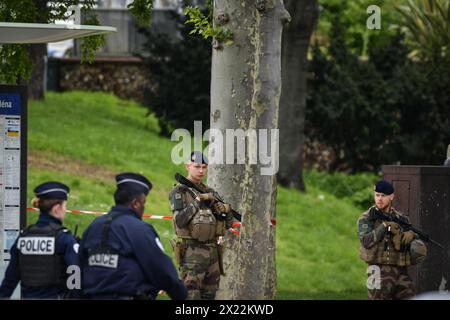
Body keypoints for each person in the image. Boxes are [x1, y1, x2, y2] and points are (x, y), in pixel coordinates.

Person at [79, 172, 187, 300]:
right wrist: (181, 295)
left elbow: (78, 266)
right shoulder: (139, 230)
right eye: (143, 203)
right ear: (136, 203)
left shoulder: (93, 227)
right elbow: (162, 271)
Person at [169, 151, 235, 300]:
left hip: (213, 252)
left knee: (210, 295)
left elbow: (227, 224)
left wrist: (225, 211)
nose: (201, 171)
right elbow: (179, 220)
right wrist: (198, 200)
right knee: (190, 295)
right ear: (187, 166)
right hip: (192, 252)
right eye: (197, 166)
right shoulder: (179, 192)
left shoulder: (211, 192)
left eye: (204, 167)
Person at [0, 181, 79, 299]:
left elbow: (10, 279)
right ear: (57, 209)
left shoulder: (23, 236)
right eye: (64, 206)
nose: (65, 210)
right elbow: (76, 275)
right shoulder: (63, 238)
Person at [357, 180, 427, 300]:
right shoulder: (367, 218)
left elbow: (411, 239)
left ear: (391, 197)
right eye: (377, 195)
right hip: (377, 269)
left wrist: (411, 236)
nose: (379, 199)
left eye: (383, 196)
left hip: (400, 269)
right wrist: (384, 226)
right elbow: (366, 241)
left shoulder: (401, 218)